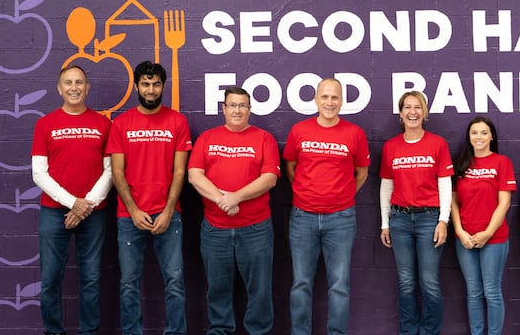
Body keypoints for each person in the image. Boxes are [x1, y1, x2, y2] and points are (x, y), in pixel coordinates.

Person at [106, 61, 192, 335]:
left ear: (163, 86)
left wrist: (168, 211)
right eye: (145, 84)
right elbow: (117, 173)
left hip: (168, 214)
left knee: (175, 281)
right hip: (129, 216)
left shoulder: (177, 121)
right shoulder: (121, 123)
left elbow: (180, 172)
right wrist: (132, 209)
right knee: (129, 282)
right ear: (136, 86)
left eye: (156, 84)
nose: (151, 89)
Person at [188, 86, 280, 334]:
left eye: (243, 105)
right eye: (233, 105)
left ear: (249, 109)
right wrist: (222, 200)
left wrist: (236, 197)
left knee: (260, 290)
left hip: (256, 230)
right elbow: (195, 176)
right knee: (217, 290)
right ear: (224, 109)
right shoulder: (208, 138)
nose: (237, 110)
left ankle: (258, 331)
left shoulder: (264, 138)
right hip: (215, 230)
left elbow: (270, 177)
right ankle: (219, 330)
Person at [283, 77, 370, 335]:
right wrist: (307, 193)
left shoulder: (355, 133)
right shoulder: (299, 130)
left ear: (341, 101)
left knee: (339, 285)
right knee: (301, 284)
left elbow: (362, 173)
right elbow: (290, 168)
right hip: (303, 217)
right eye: (324, 97)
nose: (329, 102)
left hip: (341, 219)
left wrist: (341, 196)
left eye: (334, 97)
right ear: (315, 99)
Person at [31, 65, 112, 335]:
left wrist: (85, 204)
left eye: (79, 82)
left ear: (87, 88)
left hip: (94, 212)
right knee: (51, 279)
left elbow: (111, 171)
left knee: (91, 279)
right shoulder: (45, 124)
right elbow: (39, 174)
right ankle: (54, 331)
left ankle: (89, 332)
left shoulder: (103, 123)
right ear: (59, 88)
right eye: (68, 82)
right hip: (54, 212)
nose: (74, 87)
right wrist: (72, 203)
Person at [379, 90, 454, 335]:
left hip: (429, 220)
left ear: (425, 112)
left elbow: (445, 184)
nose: (413, 112)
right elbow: (386, 186)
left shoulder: (438, 144)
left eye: (417, 107)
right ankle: (409, 331)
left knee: (429, 282)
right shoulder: (391, 147)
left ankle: (430, 331)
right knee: (406, 282)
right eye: (407, 108)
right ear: (401, 114)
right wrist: (385, 223)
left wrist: (444, 221)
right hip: (399, 219)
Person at [451, 116, 516, 335]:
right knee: (473, 292)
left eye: (484, 132)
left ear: (491, 137)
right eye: (474, 133)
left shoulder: (501, 162)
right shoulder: (460, 164)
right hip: (465, 239)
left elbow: (504, 202)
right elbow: (453, 201)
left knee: (491, 291)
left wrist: (487, 233)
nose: (479, 137)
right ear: (469, 137)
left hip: (493, 239)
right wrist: (459, 231)